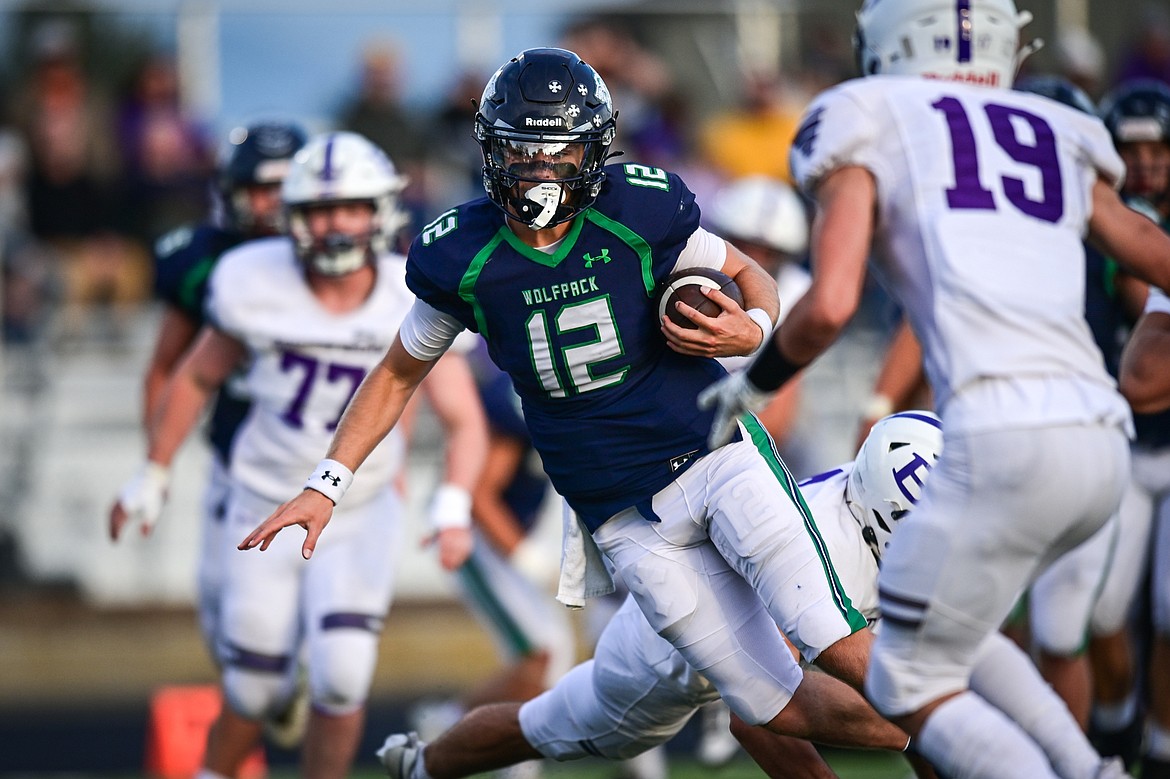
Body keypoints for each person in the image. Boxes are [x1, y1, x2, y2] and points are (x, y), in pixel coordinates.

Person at [240, 46, 891, 756]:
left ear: (594, 149)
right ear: (492, 150)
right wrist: (325, 483)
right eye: (524, 150)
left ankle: (977, 743)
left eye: (560, 150)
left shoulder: (638, 207)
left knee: (836, 641)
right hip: (621, 516)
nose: (542, 168)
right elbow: (397, 373)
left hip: (717, 455)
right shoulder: (462, 253)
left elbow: (747, 270)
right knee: (777, 709)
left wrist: (754, 326)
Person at [699, 0, 1170, 775]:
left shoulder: (866, 113)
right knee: (967, 645)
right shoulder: (1051, 126)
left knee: (905, 677)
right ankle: (1091, 768)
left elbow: (831, 303)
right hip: (1101, 442)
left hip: (999, 435)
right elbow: (1148, 245)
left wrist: (752, 386)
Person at [376, 412, 1109, 779]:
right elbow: (762, 708)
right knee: (548, 723)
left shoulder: (878, 530)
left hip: (749, 659)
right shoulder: (811, 547)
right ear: (893, 508)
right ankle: (424, 764)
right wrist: (932, 730)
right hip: (668, 658)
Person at [110, 131, 488, 779]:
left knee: (342, 676)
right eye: (318, 209)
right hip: (262, 499)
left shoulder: (411, 291)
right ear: (290, 215)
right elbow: (195, 377)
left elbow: (465, 420)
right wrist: (154, 469)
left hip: (359, 510)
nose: (335, 225)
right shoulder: (251, 279)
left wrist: (453, 504)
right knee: (252, 686)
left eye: (349, 207)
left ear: (382, 211)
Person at [133, 119, 308, 758]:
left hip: (318, 459)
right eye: (261, 189)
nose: (274, 203)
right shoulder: (202, 258)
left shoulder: (335, 252)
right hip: (236, 459)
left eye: (287, 186)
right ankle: (275, 686)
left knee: (309, 614)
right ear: (233, 192)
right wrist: (153, 467)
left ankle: (293, 673)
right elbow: (168, 367)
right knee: (217, 613)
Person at [1092, 79, 1170, 778]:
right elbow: (1139, 378)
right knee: (1101, 609)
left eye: (1158, 148)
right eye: (1132, 149)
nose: (1146, 162)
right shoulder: (1093, 224)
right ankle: (1115, 734)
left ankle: (1157, 747)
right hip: (1114, 439)